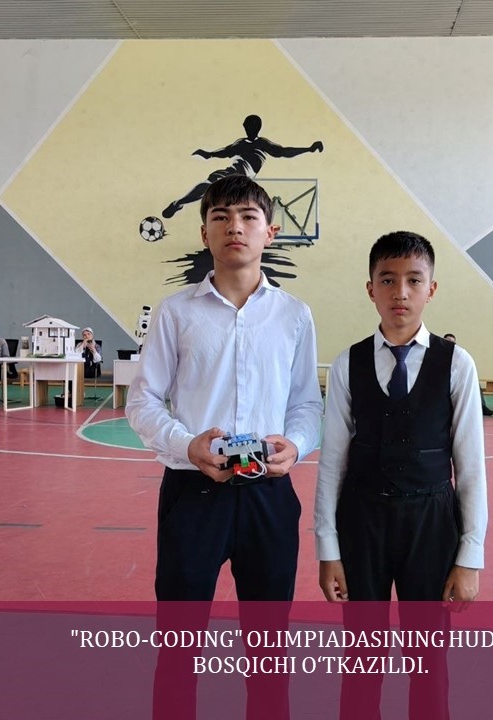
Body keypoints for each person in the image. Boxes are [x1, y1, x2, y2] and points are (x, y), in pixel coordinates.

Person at [126, 175, 322, 720]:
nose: (235, 226)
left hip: (269, 496)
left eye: (248, 217)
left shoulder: (294, 315)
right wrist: (186, 445)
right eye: (221, 217)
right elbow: (143, 401)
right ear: (204, 233)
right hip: (193, 493)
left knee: (269, 647)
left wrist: (296, 445)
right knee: (179, 643)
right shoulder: (176, 312)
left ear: (270, 232)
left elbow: (307, 404)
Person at [315, 231, 486, 719]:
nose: (401, 293)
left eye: (414, 280)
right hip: (362, 521)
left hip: (431, 522)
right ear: (370, 288)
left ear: (432, 289)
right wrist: (328, 549)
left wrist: (470, 557)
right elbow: (332, 463)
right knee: (361, 655)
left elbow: (471, 466)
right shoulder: (347, 363)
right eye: (388, 280)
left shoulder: (457, 364)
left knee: (427, 658)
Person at [162, 114, 324, 218]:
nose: (249, 129)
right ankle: (178, 203)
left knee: (230, 198)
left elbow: (284, 152)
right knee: (209, 186)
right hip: (232, 174)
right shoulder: (241, 144)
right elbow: (226, 152)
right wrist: (209, 154)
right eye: (247, 126)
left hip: (243, 180)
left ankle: (180, 204)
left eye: (251, 127)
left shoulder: (263, 144)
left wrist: (308, 149)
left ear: (256, 128)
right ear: (245, 127)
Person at [444, 333, 493, 416]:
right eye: (448, 341)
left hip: (455, 378)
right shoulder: (438, 352)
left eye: (453, 342)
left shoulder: (459, 355)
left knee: (474, 382)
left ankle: (482, 406)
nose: (450, 344)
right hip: (444, 378)